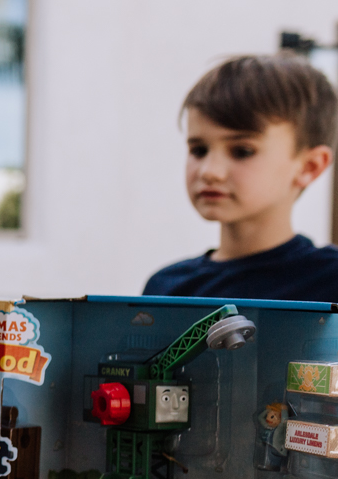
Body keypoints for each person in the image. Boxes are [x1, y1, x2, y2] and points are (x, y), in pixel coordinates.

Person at [144, 54, 338, 301]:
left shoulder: (330, 281)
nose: (209, 171)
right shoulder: (165, 288)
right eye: (199, 150)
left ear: (309, 166)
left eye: (242, 151)